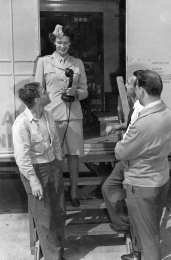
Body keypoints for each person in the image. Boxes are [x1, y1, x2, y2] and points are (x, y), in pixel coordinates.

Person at [115, 70, 171, 260]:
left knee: (149, 238)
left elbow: (120, 152)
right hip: (160, 178)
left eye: (135, 87)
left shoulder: (143, 122)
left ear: (141, 90)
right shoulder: (168, 113)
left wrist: (120, 143)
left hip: (142, 185)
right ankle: (139, 253)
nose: (134, 89)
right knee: (151, 229)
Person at [35, 24, 88, 207]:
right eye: (59, 42)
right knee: (53, 156)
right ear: (54, 42)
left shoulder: (77, 63)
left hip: (73, 114)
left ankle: (73, 192)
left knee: (73, 155)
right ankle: (56, 194)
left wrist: (77, 93)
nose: (62, 46)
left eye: (66, 42)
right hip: (51, 115)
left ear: (70, 43)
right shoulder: (44, 62)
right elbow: (38, 91)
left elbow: (85, 91)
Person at [12, 82, 66, 260]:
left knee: (59, 212)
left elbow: (56, 140)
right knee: (44, 218)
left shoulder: (48, 115)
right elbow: (22, 158)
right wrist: (34, 181)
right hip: (35, 171)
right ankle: (53, 257)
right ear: (37, 99)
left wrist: (58, 159)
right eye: (44, 92)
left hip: (53, 166)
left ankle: (57, 251)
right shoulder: (21, 124)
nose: (48, 93)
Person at [102, 75, 143, 234]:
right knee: (109, 187)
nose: (125, 86)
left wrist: (122, 147)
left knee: (131, 194)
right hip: (126, 157)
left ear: (138, 88)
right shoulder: (135, 104)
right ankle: (123, 223)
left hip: (132, 158)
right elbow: (130, 123)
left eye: (128, 84)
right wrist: (117, 127)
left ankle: (131, 227)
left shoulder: (143, 108)